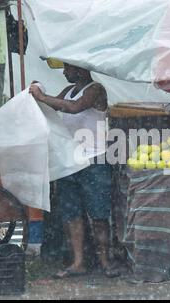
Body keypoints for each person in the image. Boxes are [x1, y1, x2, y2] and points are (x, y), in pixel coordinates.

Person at [29, 63, 119, 278]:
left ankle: (105, 261)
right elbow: (56, 105)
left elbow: (73, 107)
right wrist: (36, 95)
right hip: (70, 162)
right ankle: (78, 262)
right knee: (73, 215)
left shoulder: (96, 90)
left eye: (67, 68)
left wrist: (42, 97)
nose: (64, 73)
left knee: (98, 215)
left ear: (79, 69)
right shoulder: (69, 91)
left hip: (94, 162)